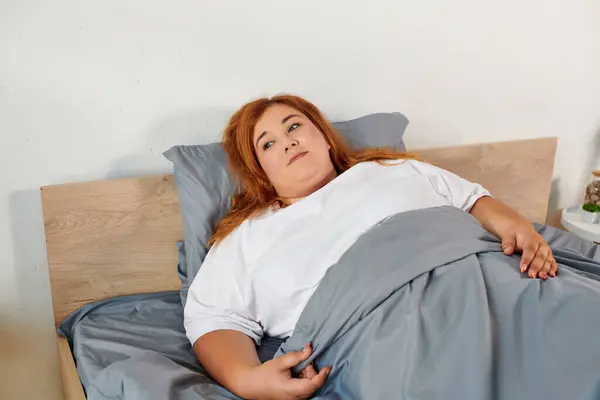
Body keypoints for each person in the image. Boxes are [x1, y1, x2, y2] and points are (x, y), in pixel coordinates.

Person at [184, 94, 558, 400]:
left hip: (489, 279)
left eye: (294, 126)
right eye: (268, 143)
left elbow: (470, 199)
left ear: (323, 134)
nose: (288, 142)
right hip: (389, 329)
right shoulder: (248, 236)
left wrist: (516, 225)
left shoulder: (389, 169)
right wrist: (247, 380)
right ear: (259, 170)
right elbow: (213, 317)